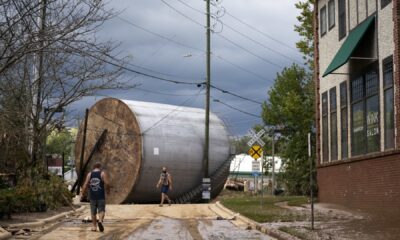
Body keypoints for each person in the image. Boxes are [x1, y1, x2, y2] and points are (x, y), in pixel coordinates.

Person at [82, 162, 110, 232]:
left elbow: (85, 184)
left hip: (92, 196)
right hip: (101, 195)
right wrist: (108, 190)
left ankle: (94, 227)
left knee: (93, 212)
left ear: (94, 167)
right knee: (102, 210)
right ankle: (100, 221)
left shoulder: (90, 174)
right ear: (100, 167)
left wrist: (83, 193)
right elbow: (107, 183)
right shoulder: (102, 173)